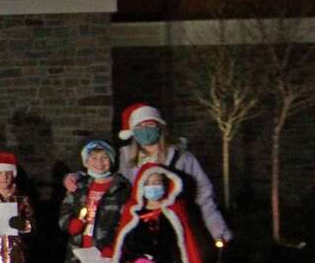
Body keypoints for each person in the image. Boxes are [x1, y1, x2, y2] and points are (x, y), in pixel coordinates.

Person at [65, 103, 232, 246]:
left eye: (150, 125)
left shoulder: (182, 158)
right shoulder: (124, 156)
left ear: (160, 127)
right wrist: (77, 177)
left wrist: (217, 230)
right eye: (139, 127)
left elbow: (203, 196)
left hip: (174, 226)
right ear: (133, 131)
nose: (145, 131)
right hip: (135, 226)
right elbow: (100, 173)